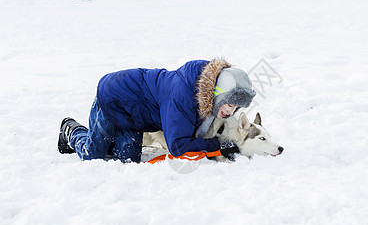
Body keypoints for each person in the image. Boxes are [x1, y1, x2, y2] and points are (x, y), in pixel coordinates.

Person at [58, 58, 256, 163]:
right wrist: (218, 145)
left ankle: (110, 137)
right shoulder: (182, 96)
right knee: (92, 155)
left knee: (126, 159)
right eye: (229, 105)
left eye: (236, 107)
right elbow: (178, 146)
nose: (231, 112)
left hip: (134, 117)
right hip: (113, 97)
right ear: (218, 94)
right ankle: (72, 130)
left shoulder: (206, 95)